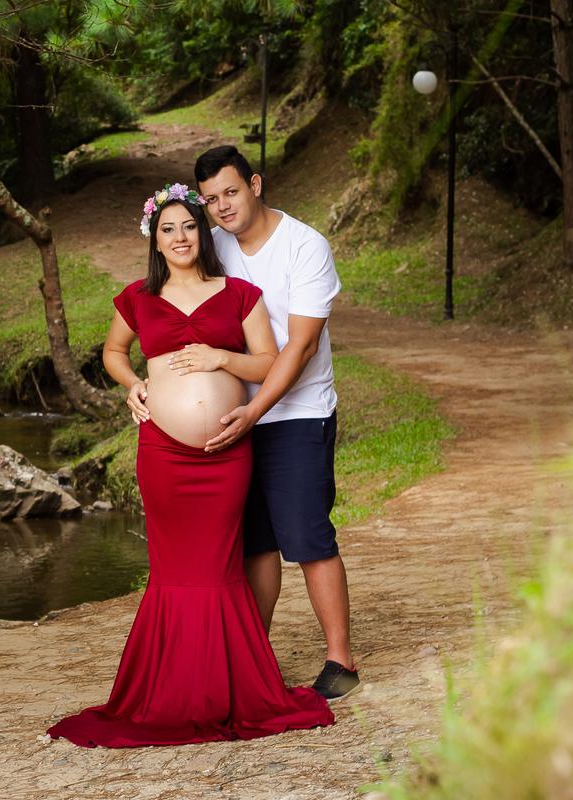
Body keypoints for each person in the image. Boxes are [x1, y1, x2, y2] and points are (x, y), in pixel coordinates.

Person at [46, 184, 334, 748]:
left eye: (189, 226)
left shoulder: (240, 295)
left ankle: (229, 687)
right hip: (162, 455)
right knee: (174, 571)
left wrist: (220, 356)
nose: (180, 237)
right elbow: (112, 352)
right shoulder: (136, 297)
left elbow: (269, 362)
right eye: (168, 230)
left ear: (205, 232)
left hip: (226, 457)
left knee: (220, 567)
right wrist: (133, 385)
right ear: (155, 240)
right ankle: (170, 689)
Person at [178, 145, 360, 703]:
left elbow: (300, 347)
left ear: (255, 184)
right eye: (211, 200)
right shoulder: (217, 249)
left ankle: (341, 661)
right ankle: (253, 657)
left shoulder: (305, 246)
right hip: (235, 416)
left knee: (306, 537)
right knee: (253, 544)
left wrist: (254, 412)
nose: (223, 207)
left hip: (298, 414)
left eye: (231, 192)